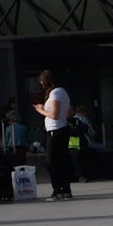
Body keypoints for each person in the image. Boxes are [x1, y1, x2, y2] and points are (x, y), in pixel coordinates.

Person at [34, 69, 73, 201]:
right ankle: (66, 190)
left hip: (54, 130)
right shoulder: (63, 92)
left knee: (52, 162)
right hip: (62, 129)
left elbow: (54, 115)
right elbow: (68, 112)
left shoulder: (55, 93)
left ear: (46, 81)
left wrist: (41, 110)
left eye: (41, 81)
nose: (40, 84)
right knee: (62, 161)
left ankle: (57, 191)